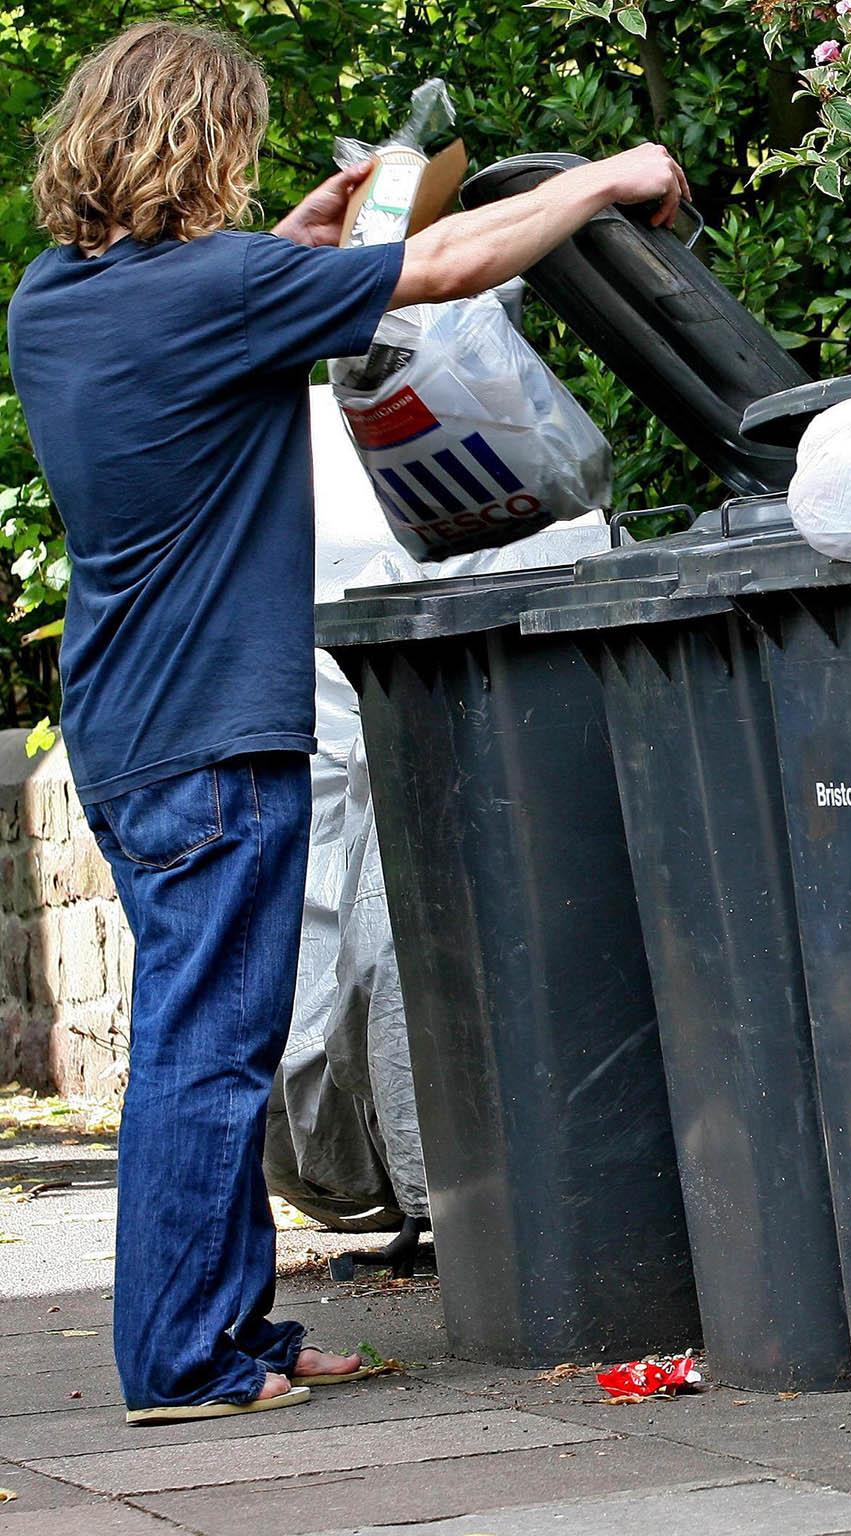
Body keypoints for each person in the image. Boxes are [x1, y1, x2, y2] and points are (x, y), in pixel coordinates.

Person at [6, 20, 688, 1425]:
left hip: (126, 719)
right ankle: (184, 1363)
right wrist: (615, 171)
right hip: (213, 727)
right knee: (212, 1043)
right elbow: (442, 266)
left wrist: (310, 244)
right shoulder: (218, 288)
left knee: (209, 1032)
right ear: (206, 145)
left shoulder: (51, 299)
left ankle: (230, 1331)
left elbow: (242, 298)